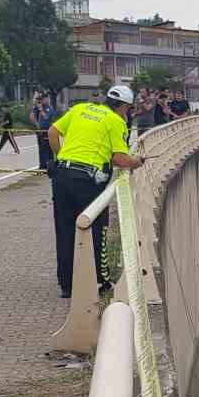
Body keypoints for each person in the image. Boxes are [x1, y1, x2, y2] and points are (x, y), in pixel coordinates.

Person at [47, 84, 147, 299]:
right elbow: (119, 158)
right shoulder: (116, 121)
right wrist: (136, 162)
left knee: (64, 231)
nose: (128, 113)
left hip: (62, 175)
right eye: (129, 109)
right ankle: (99, 282)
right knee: (95, 229)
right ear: (123, 107)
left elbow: (52, 132)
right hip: (87, 181)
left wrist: (60, 156)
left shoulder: (80, 109)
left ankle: (67, 285)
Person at [31, 93, 56, 171]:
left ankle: (50, 166)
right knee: (41, 149)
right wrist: (37, 125)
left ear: (47, 99)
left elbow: (46, 118)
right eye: (40, 100)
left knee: (48, 150)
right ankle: (42, 166)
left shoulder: (49, 108)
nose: (41, 101)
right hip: (40, 131)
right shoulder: (39, 108)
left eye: (42, 99)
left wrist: (41, 109)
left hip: (47, 131)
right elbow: (32, 116)